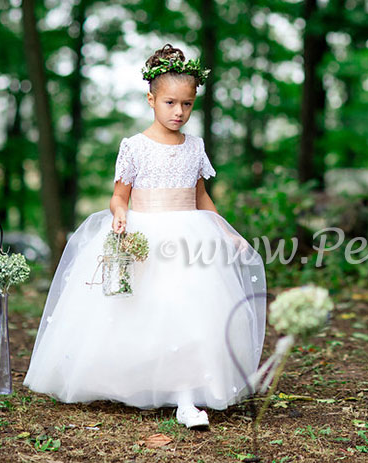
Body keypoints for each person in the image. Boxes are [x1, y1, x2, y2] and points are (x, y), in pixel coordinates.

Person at [23, 44, 267, 429]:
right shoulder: (134, 147)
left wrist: (225, 231)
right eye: (170, 103)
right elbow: (120, 196)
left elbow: (202, 197)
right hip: (146, 234)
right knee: (142, 311)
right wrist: (120, 217)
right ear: (151, 99)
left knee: (192, 310)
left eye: (187, 104)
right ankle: (137, 380)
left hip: (190, 237)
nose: (179, 112)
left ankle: (188, 394)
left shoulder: (195, 147)